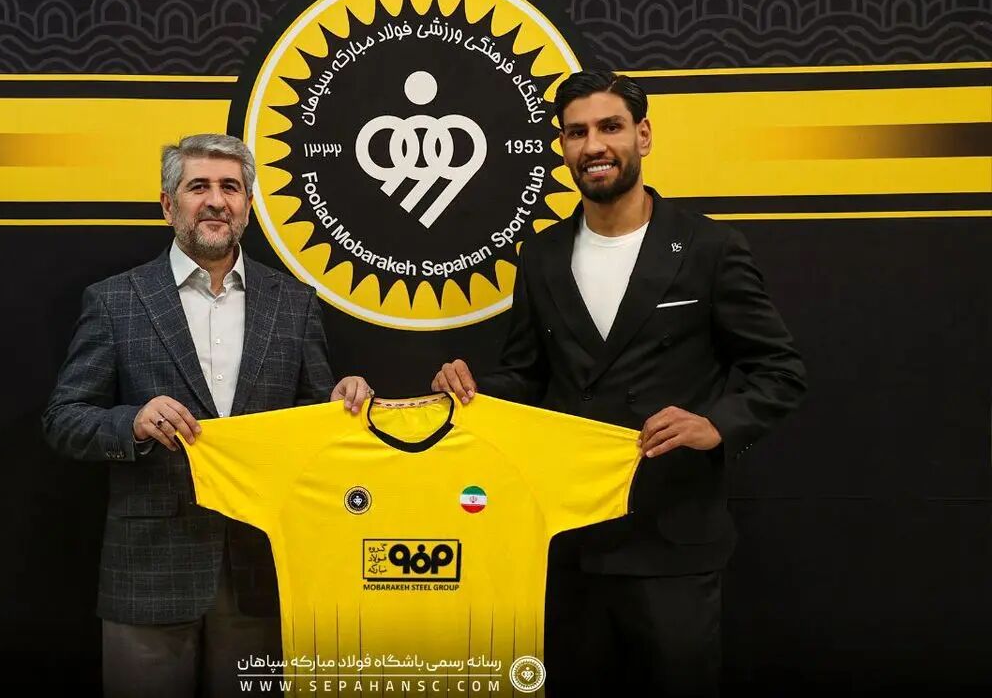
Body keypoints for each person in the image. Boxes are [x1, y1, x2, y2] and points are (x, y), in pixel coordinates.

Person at [431, 70, 807, 696]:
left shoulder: (710, 247)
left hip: (673, 539)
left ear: (644, 135)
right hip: (569, 539)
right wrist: (470, 392)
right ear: (562, 148)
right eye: (576, 133)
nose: (594, 145)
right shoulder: (542, 255)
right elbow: (528, 376)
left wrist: (716, 425)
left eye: (610, 127)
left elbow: (780, 371)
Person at [43, 133, 371, 698]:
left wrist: (342, 404)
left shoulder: (295, 302)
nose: (216, 201)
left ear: (248, 204)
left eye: (230, 188)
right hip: (149, 572)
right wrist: (132, 422)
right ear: (168, 204)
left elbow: (314, 421)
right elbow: (63, 418)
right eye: (199, 186)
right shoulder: (116, 301)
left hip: (262, 570)